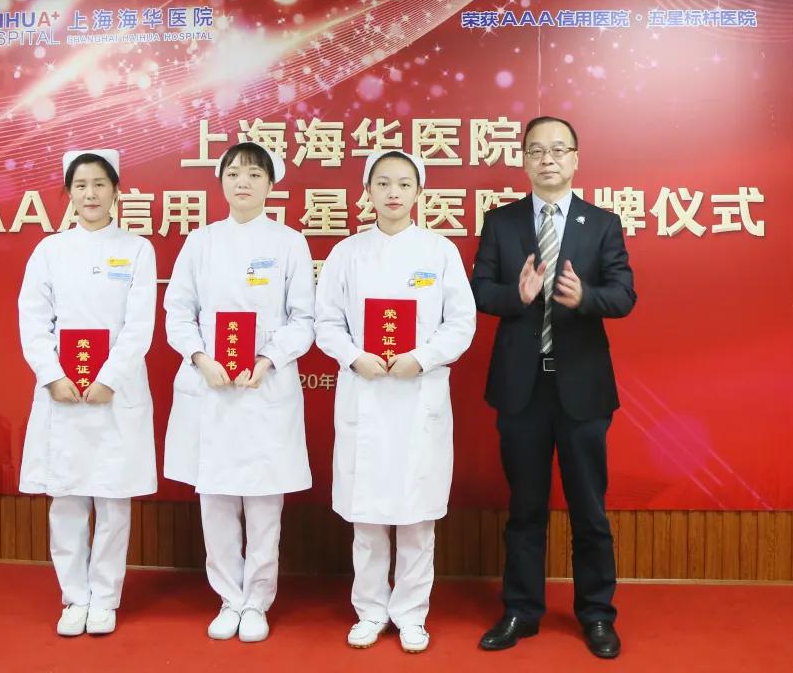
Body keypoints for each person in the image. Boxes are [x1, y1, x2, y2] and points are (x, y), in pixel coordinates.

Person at [472, 117, 636, 658]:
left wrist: (586, 298)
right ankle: (521, 610)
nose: (548, 159)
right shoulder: (501, 222)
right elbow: (478, 291)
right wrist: (517, 297)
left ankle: (597, 614)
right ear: (523, 159)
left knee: (589, 509)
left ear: (575, 159)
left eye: (558, 150)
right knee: (525, 508)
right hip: (522, 389)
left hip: (583, 389)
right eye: (537, 150)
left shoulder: (602, 223)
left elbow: (624, 295)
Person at [315, 150, 476, 653]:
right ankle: (369, 610)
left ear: (419, 193)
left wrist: (422, 358)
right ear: (367, 191)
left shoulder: (439, 251)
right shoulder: (346, 253)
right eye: (382, 183)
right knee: (367, 515)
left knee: (416, 515)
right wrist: (353, 356)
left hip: (418, 395)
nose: (392, 193)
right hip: (365, 392)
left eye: (404, 184)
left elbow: (461, 322)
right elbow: (326, 321)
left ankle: (411, 613)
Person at [163, 141, 315, 643]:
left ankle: (257, 602)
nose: (242, 182)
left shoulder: (290, 243)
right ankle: (229, 598)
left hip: (265, 386)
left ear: (271, 184)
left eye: (253, 173)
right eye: (233, 173)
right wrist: (201, 359)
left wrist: (268, 358)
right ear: (221, 182)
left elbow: (304, 319)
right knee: (217, 501)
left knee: (265, 504)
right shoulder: (200, 242)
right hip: (212, 387)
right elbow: (177, 313)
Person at [18, 149, 158, 637]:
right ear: (69, 193)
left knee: (114, 499)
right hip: (63, 393)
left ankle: (105, 598)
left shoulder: (137, 249)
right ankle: (74, 596)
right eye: (81, 185)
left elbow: (139, 326)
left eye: (100, 184)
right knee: (67, 499)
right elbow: (33, 320)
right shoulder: (49, 251)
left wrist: (110, 377)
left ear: (117, 191)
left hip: (114, 392)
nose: (91, 194)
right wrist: (52, 375)